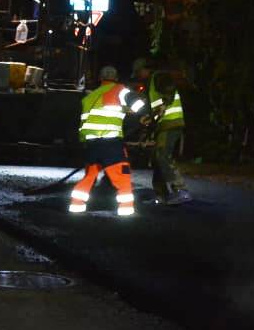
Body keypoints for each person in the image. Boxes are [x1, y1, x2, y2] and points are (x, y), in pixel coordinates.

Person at [71, 65, 137, 217]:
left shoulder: (90, 97)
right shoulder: (118, 89)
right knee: (122, 175)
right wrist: (142, 112)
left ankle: (76, 205)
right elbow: (133, 100)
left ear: (100, 79)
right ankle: (126, 209)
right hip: (110, 142)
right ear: (115, 78)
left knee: (89, 176)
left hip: (92, 143)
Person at [136, 58, 190, 205]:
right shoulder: (151, 83)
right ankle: (161, 195)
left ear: (144, 70)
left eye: (138, 73)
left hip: (171, 122)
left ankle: (180, 190)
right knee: (158, 157)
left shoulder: (158, 76)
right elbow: (157, 105)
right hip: (164, 124)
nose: (138, 76)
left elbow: (168, 91)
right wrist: (149, 118)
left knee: (162, 155)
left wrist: (164, 104)